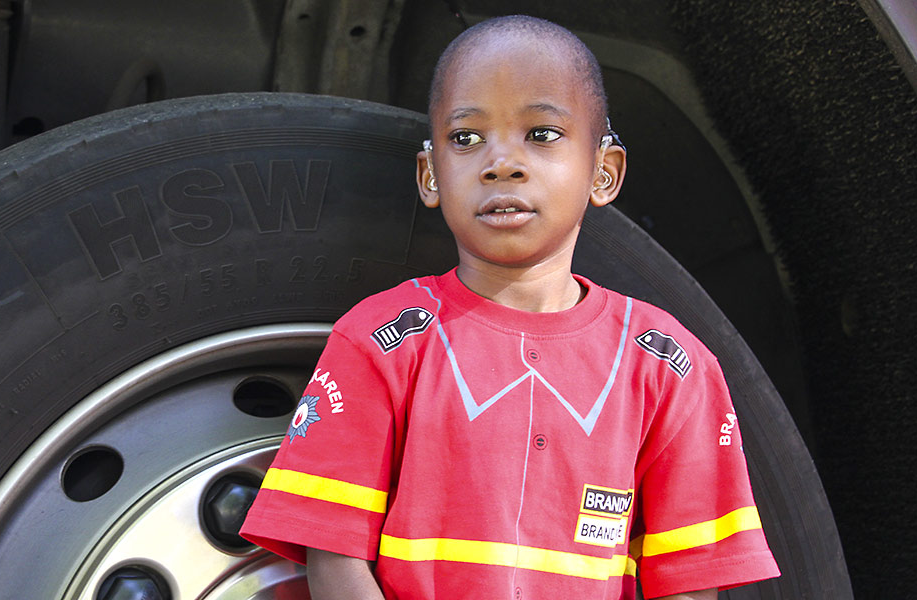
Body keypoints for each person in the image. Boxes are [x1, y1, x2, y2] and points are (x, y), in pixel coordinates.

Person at [240, 15, 780, 599]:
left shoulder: (670, 366)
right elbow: (334, 556)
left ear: (604, 171)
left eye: (542, 134)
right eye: (467, 139)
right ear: (430, 176)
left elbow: (691, 580)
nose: (501, 162)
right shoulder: (379, 340)